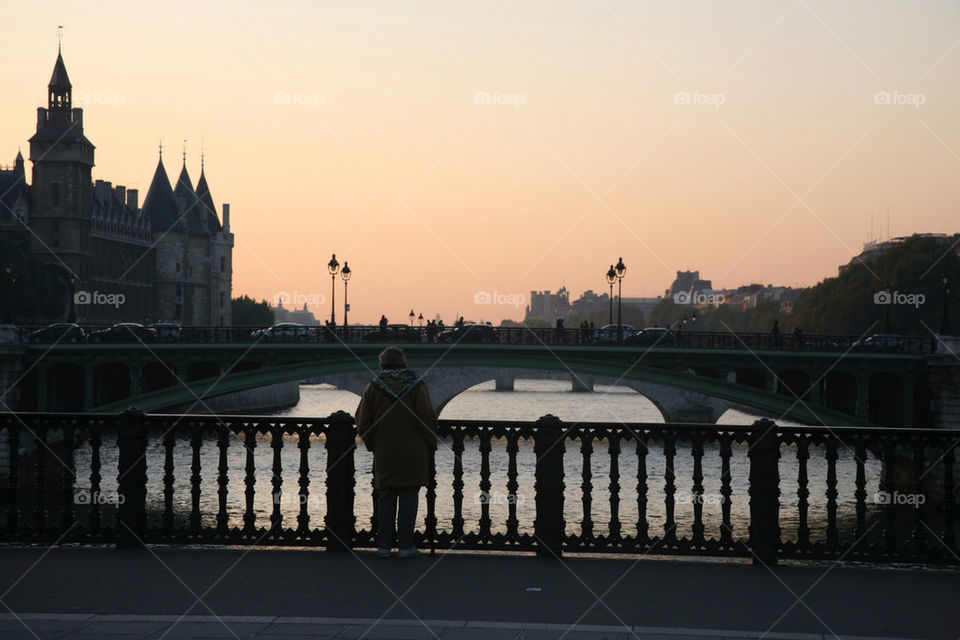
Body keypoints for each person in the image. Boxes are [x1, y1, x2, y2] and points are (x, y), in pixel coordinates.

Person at [356, 346, 438, 558]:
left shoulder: (373, 388)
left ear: (382, 365)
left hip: (385, 452)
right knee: (409, 497)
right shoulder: (417, 386)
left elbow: (363, 422)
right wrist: (430, 442)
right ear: (404, 364)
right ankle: (405, 546)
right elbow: (427, 417)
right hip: (413, 451)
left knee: (385, 497)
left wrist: (373, 443)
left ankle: (383, 546)